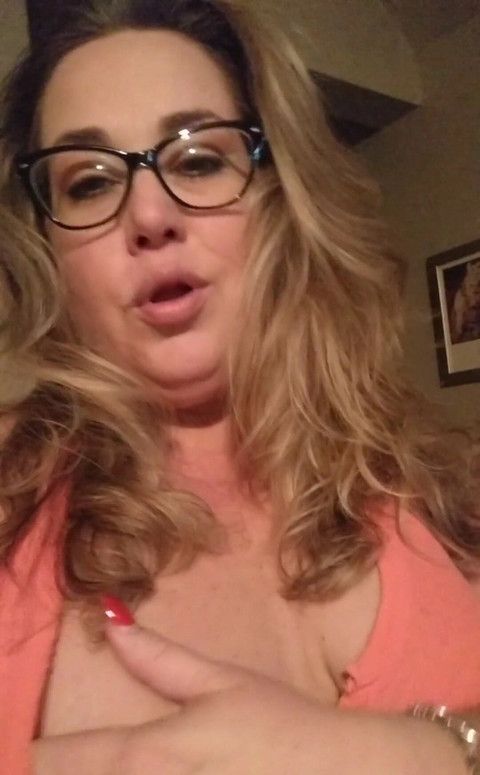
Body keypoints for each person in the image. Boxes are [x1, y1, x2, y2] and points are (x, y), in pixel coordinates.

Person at [0, 0, 479, 773]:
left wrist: (431, 750)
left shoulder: (437, 486)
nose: (150, 213)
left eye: (198, 160)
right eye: (89, 182)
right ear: (47, 248)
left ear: (280, 196)